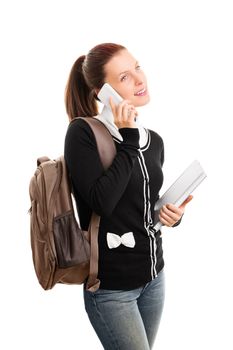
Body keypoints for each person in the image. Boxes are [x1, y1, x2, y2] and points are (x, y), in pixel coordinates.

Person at [64, 43, 193, 350]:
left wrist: (169, 217)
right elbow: (102, 202)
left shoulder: (155, 141)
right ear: (102, 92)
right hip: (111, 289)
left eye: (137, 66)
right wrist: (128, 138)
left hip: (154, 277)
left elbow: (140, 207)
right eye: (124, 77)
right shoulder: (83, 134)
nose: (139, 79)